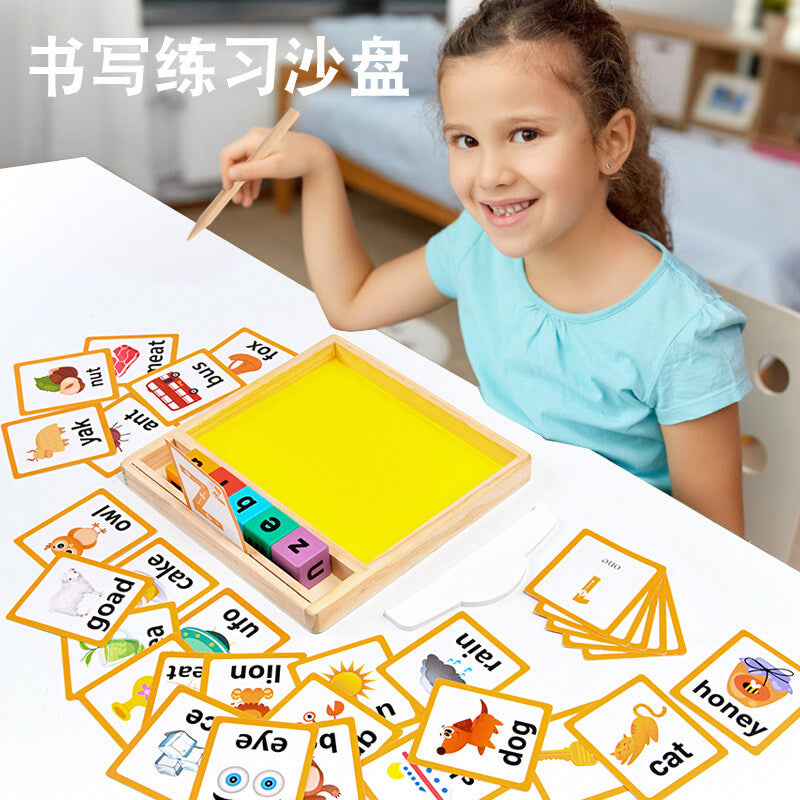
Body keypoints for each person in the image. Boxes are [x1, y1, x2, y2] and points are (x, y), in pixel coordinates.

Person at [219, 0, 751, 536]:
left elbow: (717, 549)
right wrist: (318, 163)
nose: (490, 175)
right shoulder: (477, 244)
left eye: (526, 134)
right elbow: (353, 301)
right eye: (466, 141)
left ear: (610, 142)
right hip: (500, 520)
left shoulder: (685, 334)